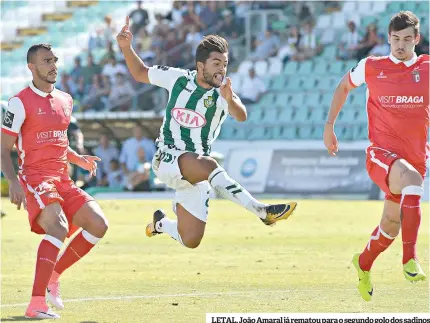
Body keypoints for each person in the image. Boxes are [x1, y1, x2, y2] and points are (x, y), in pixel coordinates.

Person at [117, 17, 297, 249]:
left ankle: (161, 223)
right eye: (216, 63)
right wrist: (125, 47)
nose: (221, 69)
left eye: (224, 64)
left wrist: (230, 99)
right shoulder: (178, 78)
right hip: (167, 157)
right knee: (210, 165)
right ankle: (261, 211)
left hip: (196, 170)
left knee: (191, 240)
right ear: (200, 66)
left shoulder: (223, 94)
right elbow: (140, 73)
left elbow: (241, 116)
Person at [323, 11, 429, 302]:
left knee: (391, 225)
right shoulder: (371, 66)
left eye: (407, 39)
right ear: (388, 39)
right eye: (395, 39)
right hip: (382, 155)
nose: (401, 45)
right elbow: (344, 86)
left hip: (415, 157)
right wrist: (329, 126)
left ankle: (364, 263)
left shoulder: (428, 68)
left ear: (417, 39)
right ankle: (410, 259)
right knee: (412, 179)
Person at [1, 44, 109, 319]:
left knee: (98, 224)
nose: (53, 66)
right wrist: (12, 181)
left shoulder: (66, 99)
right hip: (35, 178)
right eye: (46, 61)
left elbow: (59, 141)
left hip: (63, 178)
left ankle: (54, 275)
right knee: (58, 227)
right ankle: (36, 303)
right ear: (31, 67)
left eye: (55, 60)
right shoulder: (19, 102)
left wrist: (78, 159)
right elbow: (4, 148)